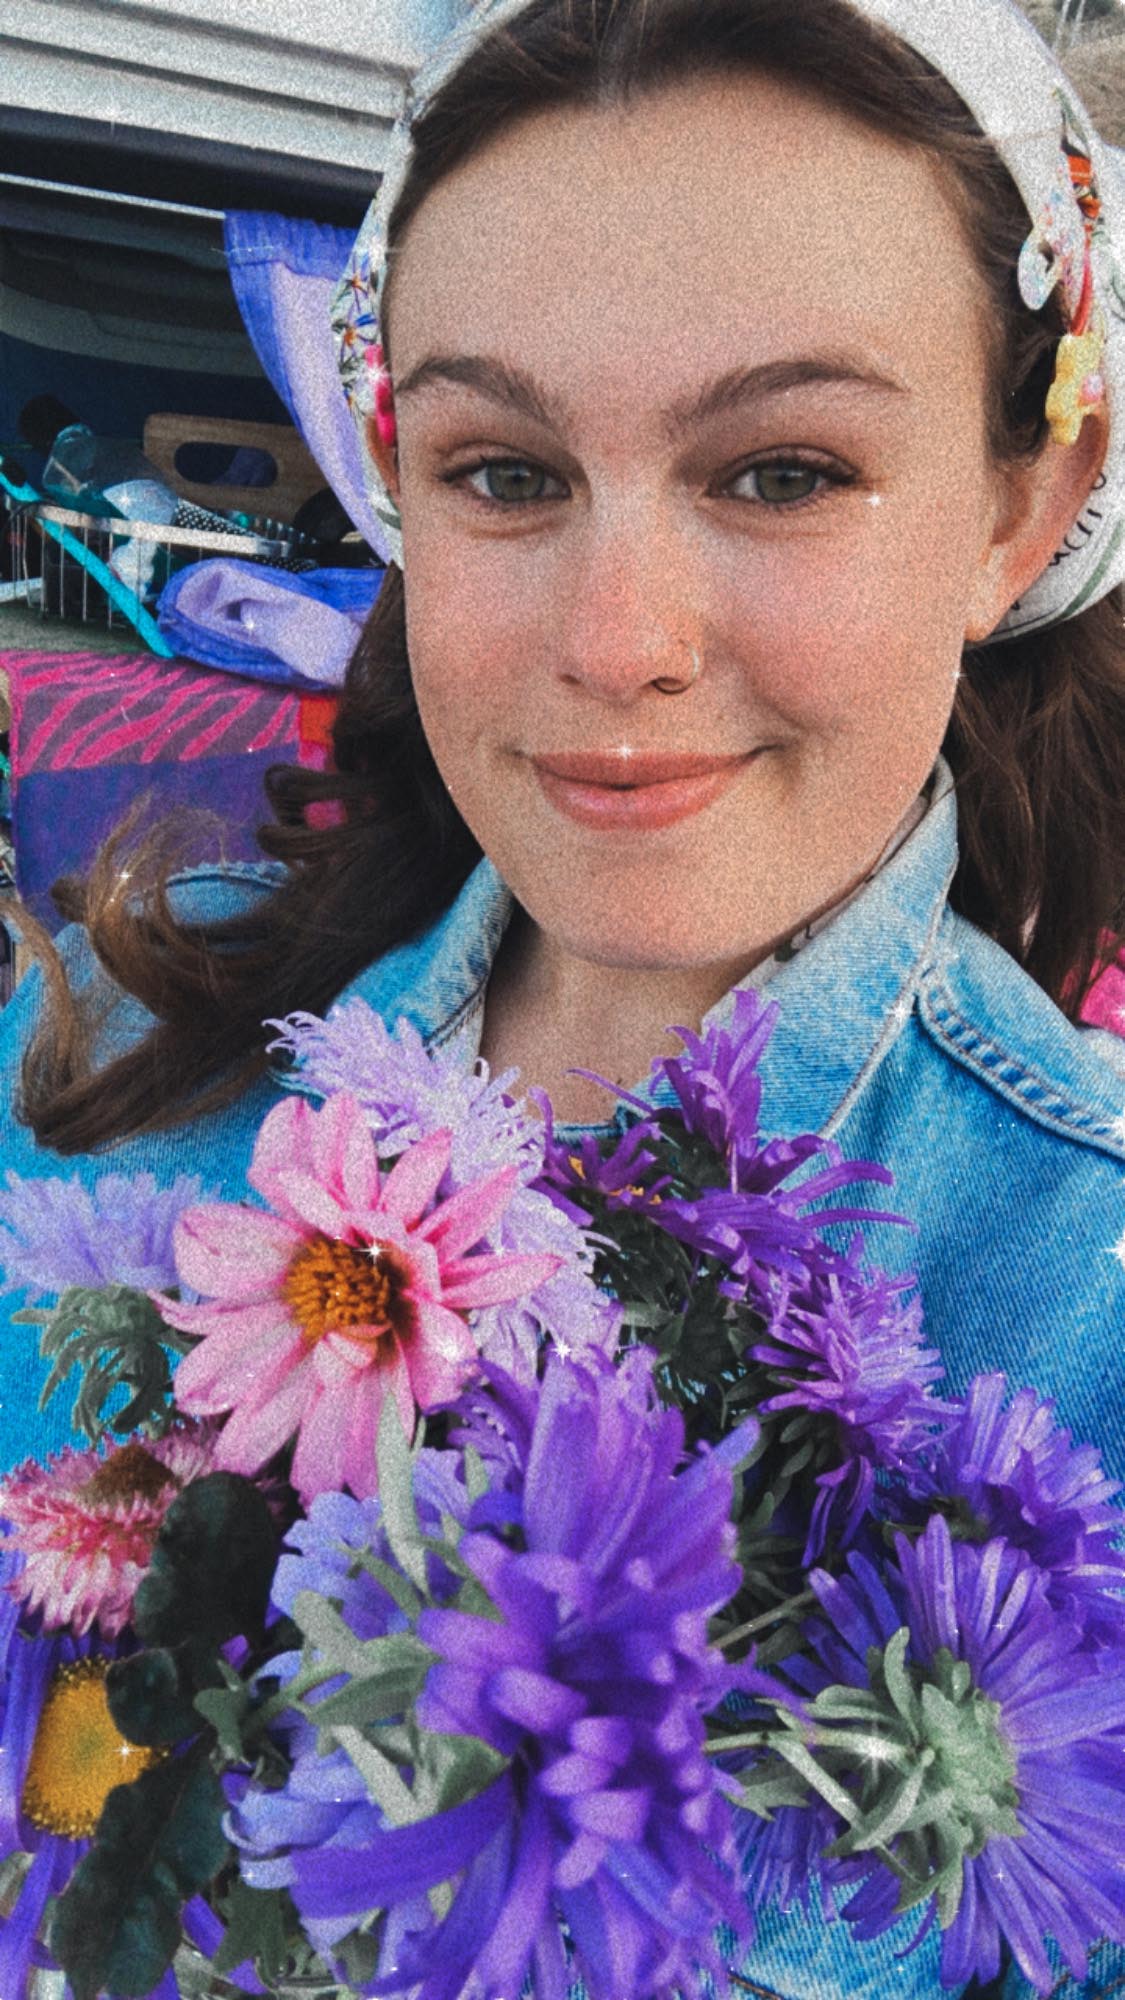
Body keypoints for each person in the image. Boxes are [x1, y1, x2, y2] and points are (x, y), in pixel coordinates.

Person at [2, 0, 1125, 1991]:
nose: (612, 645)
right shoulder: (97, 1055)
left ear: (1020, 506)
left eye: (780, 470)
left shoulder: (1087, 1299)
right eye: (506, 471)